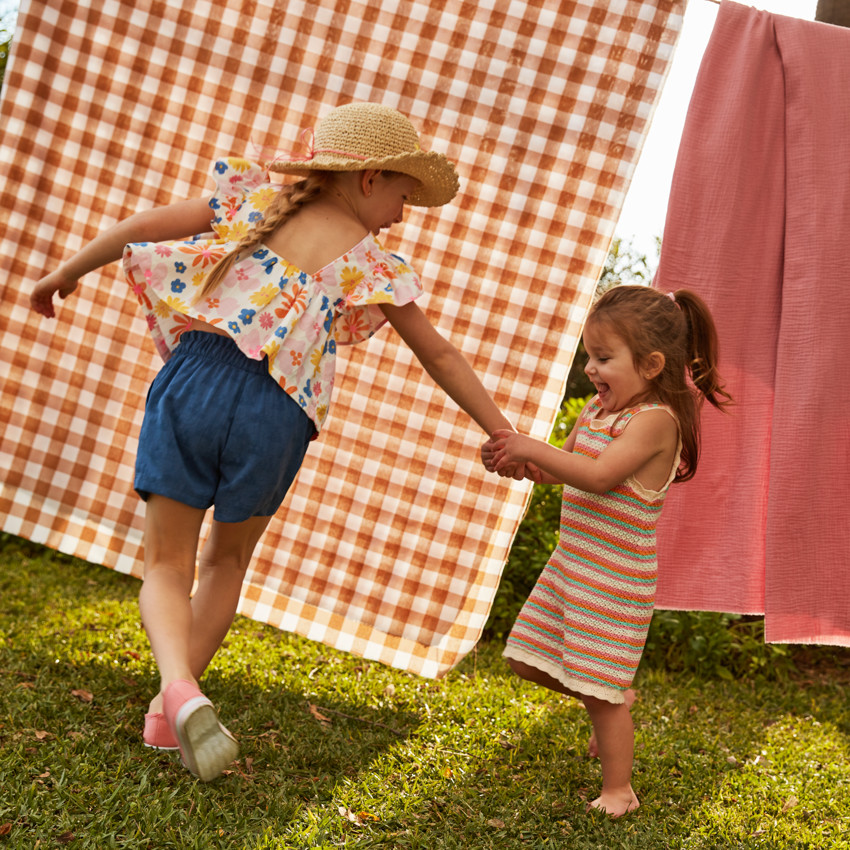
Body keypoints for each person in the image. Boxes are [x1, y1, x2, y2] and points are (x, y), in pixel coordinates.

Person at [31, 102, 522, 782]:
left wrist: (66, 273)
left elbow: (143, 228)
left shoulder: (257, 199)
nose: (406, 214)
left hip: (196, 382)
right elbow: (440, 356)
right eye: (406, 195)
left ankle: (177, 688)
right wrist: (503, 431)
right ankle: (162, 717)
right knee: (225, 566)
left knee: (167, 565)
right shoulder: (375, 264)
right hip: (279, 412)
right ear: (372, 177)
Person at [481, 285, 732, 817]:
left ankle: (620, 789)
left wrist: (531, 443)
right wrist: (519, 461)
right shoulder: (597, 411)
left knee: (600, 691)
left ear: (650, 364)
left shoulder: (655, 422)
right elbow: (561, 469)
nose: (591, 369)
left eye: (603, 357)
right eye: (589, 356)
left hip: (614, 578)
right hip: (571, 564)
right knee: (525, 661)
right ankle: (612, 698)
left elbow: (597, 477)